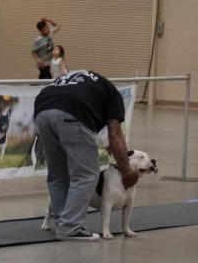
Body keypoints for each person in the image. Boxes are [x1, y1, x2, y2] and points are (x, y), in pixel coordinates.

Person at [33, 69, 137, 240]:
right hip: (72, 111)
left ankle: (61, 221)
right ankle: (70, 227)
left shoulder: (88, 84)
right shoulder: (114, 96)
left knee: (58, 173)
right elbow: (115, 133)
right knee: (87, 174)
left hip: (41, 110)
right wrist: (125, 170)